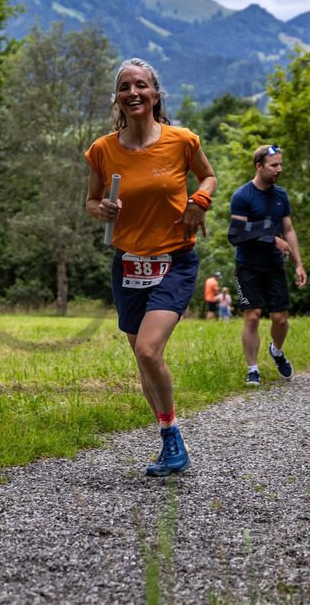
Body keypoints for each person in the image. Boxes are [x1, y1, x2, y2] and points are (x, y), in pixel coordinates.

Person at [86, 58, 217, 476]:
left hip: (174, 260)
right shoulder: (103, 150)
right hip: (128, 264)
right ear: (118, 98)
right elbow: (90, 202)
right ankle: (167, 437)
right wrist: (101, 209)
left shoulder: (182, 141)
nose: (133, 93)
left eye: (141, 85)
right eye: (125, 87)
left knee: (147, 349)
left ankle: (173, 441)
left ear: (155, 95)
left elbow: (208, 178)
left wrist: (199, 202)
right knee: (143, 359)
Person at [228, 144, 307, 388]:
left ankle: (277, 350)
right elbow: (236, 234)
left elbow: (289, 230)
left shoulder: (281, 195)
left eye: (280, 164)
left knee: (281, 319)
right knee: (252, 316)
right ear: (259, 166)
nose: (279, 169)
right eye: (274, 165)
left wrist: (299, 264)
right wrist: (272, 239)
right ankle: (253, 370)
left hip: (274, 266)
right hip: (248, 265)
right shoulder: (242, 196)